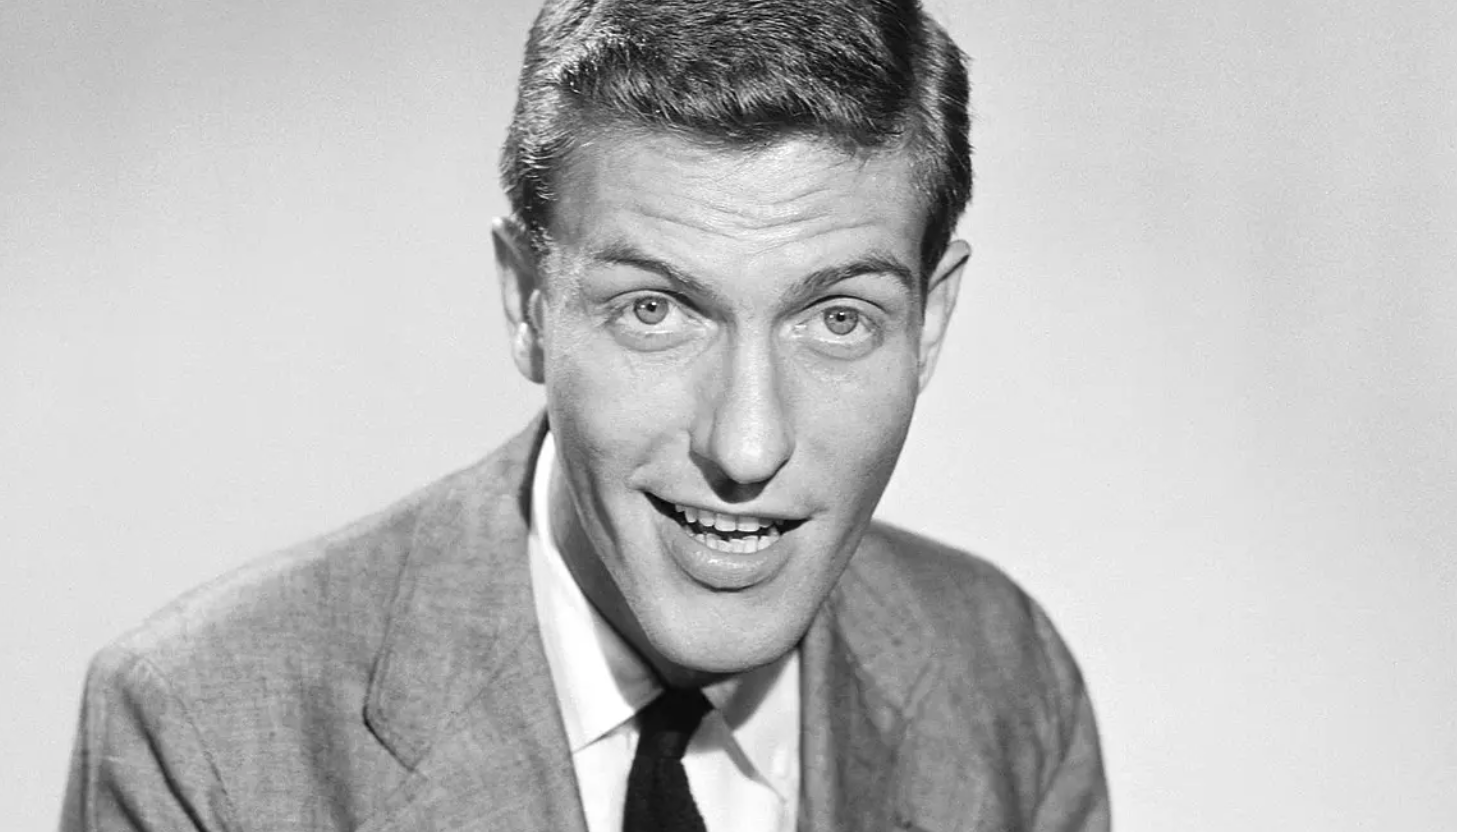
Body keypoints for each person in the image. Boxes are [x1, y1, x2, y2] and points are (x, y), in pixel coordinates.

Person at [60, 0, 1110, 829]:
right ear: (527, 302)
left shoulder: (1006, 676)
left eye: (837, 319)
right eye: (655, 311)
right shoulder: (200, 729)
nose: (748, 446)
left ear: (929, 324)